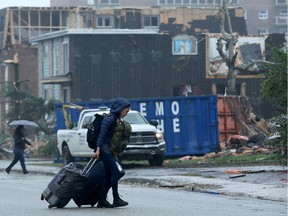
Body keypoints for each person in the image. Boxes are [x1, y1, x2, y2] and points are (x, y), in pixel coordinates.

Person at [95, 98, 131, 208]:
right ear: (120, 109)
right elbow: (102, 135)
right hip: (104, 151)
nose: (126, 113)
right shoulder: (109, 119)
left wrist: (115, 152)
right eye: (126, 111)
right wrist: (98, 149)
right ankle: (116, 199)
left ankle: (102, 200)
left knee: (109, 175)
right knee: (117, 172)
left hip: (109, 151)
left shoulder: (116, 119)